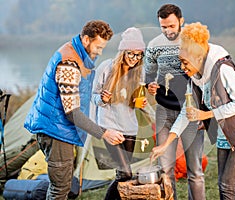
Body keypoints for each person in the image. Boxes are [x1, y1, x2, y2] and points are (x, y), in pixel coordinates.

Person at [151, 22, 235, 200]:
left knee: (228, 185)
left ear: (197, 58)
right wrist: (165, 145)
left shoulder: (222, 68)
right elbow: (186, 113)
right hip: (225, 130)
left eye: (184, 62)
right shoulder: (194, 76)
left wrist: (206, 115)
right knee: (222, 183)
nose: (182, 67)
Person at [24, 20, 126, 200]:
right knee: (60, 188)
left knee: (62, 185)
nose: (100, 52)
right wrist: (104, 133)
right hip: (55, 130)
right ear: (86, 39)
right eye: (98, 46)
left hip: (61, 128)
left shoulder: (77, 53)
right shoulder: (68, 62)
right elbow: (71, 112)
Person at [145, 4, 206, 199]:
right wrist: (150, 86)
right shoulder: (154, 45)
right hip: (164, 110)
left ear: (181, 21)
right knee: (166, 170)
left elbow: (204, 78)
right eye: (163, 27)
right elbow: (149, 74)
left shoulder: (191, 42)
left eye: (171, 26)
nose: (168, 31)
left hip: (191, 110)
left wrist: (204, 113)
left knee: (194, 171)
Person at [92, 27, 146, 200]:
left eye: (138, 55)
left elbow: (134, 102)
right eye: (131, 53)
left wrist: (141, 104)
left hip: (130, 128)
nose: (134, 59)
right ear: (123, 51)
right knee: (125, 173)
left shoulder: (139, 71)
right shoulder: (106, 68)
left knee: (122, 174)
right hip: (110, 127)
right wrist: (102, 99)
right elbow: (93, 97)